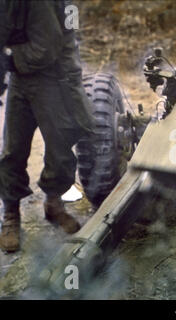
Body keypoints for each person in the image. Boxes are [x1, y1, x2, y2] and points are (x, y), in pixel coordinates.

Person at [0, 0, 94, 252]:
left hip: (52, 78)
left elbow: (46, 48)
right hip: (21, 78)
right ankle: (11, 213)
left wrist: (9, 58)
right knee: (12, 149)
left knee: (59, 148)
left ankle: (54, 203)